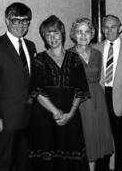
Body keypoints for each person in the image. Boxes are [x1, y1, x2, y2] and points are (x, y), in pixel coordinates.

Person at [28, 15, 90, 171]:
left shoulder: (75, 58)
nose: (52, 37)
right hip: (44, 118)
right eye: (48, 34)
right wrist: (56, 112)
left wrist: (70, 114)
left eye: (55, 33)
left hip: (71, 117)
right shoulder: (39, 59)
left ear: (62, 33)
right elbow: (37, 90)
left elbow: (80, 89)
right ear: (44, 37)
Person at [0, 2, 36, 171]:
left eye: (25, 21)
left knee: (24, 162)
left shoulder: (31, 45)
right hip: (6, 118)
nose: (21, 25)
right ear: (7, 20)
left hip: (29, 116)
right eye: (16, 20)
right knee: (6, 162)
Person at [68, 17, 114, 171]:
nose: (83, 35)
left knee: (94, 140)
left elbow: (98, 77)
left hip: (96, 101)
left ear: (92, 34)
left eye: (87, 31)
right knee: (81, 140)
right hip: (78, 101)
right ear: (73, 34)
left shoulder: (97, 54)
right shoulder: (68, 54)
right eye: (79, 32)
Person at [93, 14, 122, 171]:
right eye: (105, 27)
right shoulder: (94, 48)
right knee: (102, 144)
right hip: (100, 100)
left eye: (113, 26)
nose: (109, 30)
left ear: (120, 28)